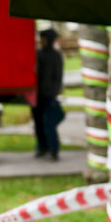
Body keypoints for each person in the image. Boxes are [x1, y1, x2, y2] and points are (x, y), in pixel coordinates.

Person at [34, 27, 64, 160]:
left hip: (49, 95)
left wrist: (54, 93)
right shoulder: (38, 54)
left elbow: (58, 77)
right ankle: (42, 147)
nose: (42, 41)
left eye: (44, 39)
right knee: (38, 123)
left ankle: (54, 150)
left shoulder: (56, 56)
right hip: (37, 95)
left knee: (49, 123)